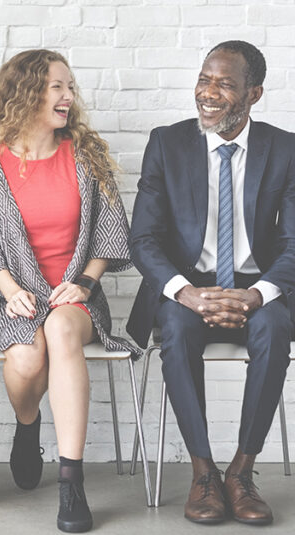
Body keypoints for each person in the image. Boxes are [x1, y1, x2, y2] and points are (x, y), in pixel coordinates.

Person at [0, 49, 135, 533]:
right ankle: (26, 425)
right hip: (10, 293)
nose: (68, 96)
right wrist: (8, 287)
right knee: (26, 360)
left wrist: (82, 283)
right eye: (56, 86)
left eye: (69, 87)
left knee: (59, 329)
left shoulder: (84, 156)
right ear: (26, 93)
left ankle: (70, 480)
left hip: (73, 297)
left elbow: (111, 232)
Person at [128, 40, 294, 526]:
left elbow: (293, 242)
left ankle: (241, 471)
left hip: (256, 286)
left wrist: (256, 294)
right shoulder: (167, 142)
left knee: (273, 327)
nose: (209, 92)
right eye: (205, 79)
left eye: (224, 83)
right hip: (188, 285)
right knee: (176, 331)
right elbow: (144, 238)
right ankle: (203, 471)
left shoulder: (284, 149)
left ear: (254, 94)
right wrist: (185, 292)